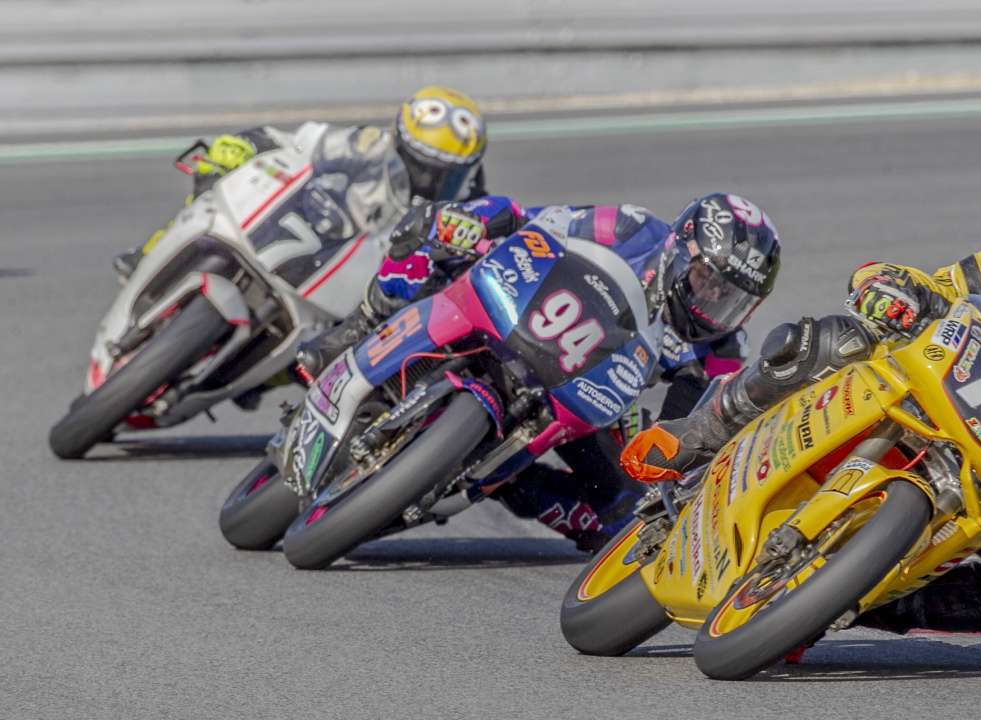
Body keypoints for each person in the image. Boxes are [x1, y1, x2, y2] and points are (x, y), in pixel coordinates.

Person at [621, 214, 981, 641]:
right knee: (831, 339)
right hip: (917, 386)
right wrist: (891, 291)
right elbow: (933, 288)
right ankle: (699, 433)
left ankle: (853, 599)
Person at [301, 192, 782, 551]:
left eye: (731, 298)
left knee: (622, 511)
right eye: (706, 280)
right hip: (527, 312)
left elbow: (687, 426)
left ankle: (516, 485)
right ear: (681, 250)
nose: (711, 301)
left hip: (588, 394)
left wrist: (658, 452)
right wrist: (477, 224)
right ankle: (361, 325)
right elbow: (540, 221)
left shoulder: (722, 348)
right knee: (432, 229)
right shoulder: (632, 228)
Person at [112, 85, 489, 280]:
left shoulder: (470, 207)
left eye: (448, 174)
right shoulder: (370, 145)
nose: (430, 181)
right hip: (319, 231)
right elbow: (303, 144)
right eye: (422, 166)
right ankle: (150, 253)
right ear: (400, 144)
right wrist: (246, 146)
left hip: (357, 285)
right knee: (220, 186)